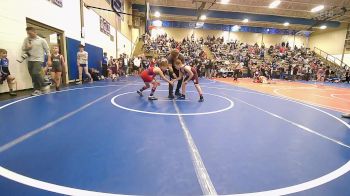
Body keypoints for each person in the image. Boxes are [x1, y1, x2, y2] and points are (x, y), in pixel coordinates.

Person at [21, 27, 51, 96]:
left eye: (30, 33)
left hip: (39, 59)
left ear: (35, 32)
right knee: (33, 76)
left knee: (35, 72)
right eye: (28, 33)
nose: (29, 35)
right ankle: (37, 90)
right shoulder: (26, 39)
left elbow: (47, 50)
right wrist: (27, 48)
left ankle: (44, 82)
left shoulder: (42, 40)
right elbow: (23, 48)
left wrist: (49, 60)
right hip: (29, 60)